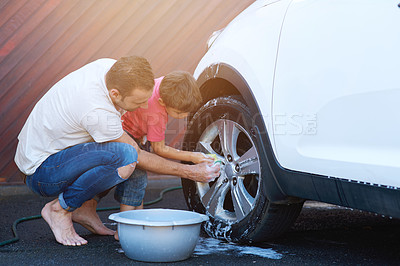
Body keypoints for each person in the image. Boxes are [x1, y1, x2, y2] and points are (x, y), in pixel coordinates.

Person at [14, 56, 220, 246]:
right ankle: (60, 209)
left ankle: (86, 209)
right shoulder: (98, 111)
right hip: (42, 173)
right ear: (115, 94)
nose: (142, 106)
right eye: (138, 103)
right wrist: (190, 171)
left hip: (49, 154)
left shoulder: (110, 68)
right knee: (126, 157)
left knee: (124, 156)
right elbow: (137, 155)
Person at [118, 71, 212, 213]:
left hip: (129, 128)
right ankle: (123, 228)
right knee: (136, 180)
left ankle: (138, 219)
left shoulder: (165, 84)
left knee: (136, 182)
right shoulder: (157, 113)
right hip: (126, 134)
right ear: (162, 102)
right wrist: (192, 156)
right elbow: (159, 149)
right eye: (179, 113)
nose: (184, 116)